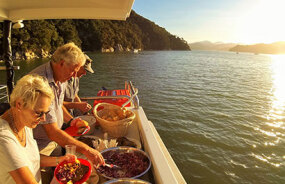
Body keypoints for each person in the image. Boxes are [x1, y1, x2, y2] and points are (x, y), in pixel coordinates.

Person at [29, 42, 104, 166]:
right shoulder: (40, 84)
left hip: (53, 142)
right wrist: (87, 149)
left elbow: (58, 105)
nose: (74, 76)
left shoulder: (61, 77)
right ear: (62, 63)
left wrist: (71, 121)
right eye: (73, 71)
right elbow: (52, 132)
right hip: (39, 148)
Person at [0, 74, 76, 184]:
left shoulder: (24, 123)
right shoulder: (4, 139)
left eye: (46, 112)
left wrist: (59, 160)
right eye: (38, 113)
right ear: (19, 104)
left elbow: (30, 158)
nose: (43, 118)